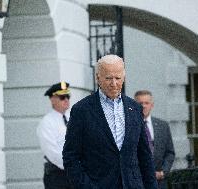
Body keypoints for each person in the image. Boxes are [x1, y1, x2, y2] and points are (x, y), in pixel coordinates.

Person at [63, 54, 158, 189]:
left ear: (123, 77)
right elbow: (70, 157)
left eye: (118, 78)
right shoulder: (81, 110)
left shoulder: (135, 108)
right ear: (98, 78)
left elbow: (145, 156)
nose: (114, 83)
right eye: (108, 78)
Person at [134, 90, 175, 189]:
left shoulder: (163, 126)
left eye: (146, 103)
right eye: (140, 103)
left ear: (151, 105)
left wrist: (163, 172)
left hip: (159, 183)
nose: (143, 106)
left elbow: (170, 152)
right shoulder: (127, 126)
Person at [36, 81, 73, 189]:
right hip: (57, 175)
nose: (66, 100)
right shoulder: (47, 123)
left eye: (68, 96)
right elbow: (52, 153)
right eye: (62, 97)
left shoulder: (73, 119)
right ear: (52, 99)